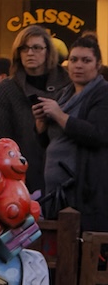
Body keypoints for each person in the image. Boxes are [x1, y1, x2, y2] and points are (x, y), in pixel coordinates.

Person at [0, 23, 74, 197]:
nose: (30, 53)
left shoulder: (67, 85)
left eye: (36, 48)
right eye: (24, 48)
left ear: (48, 51)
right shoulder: (8, 88)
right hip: (20, 175)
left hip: (64, 171)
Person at [37, 33, 108, 229]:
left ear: (98, 65)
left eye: (86, 60)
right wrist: (41, 125)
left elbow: (98, 135)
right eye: (74, 59)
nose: (78, 65)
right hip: (55, 191)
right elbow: (53, 142)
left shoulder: (102, 93)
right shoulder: (64, 94)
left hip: (83, 193)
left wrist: (59, 115)